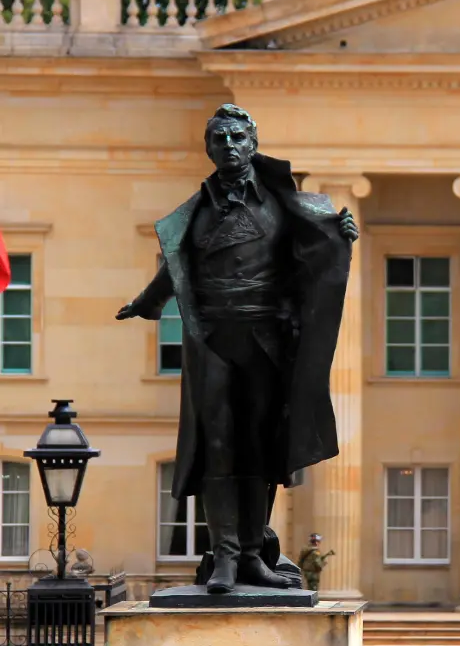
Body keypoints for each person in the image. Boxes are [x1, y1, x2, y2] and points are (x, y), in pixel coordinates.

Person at [116, 104, 359, 594]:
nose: (228, 146)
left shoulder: (282, 204)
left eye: (236, 138)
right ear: (208, 148)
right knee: (219, 447)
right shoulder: (200, 209)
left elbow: (312, 260)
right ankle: (225, 556)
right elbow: (177, 264)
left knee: (263, 448)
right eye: (219, 139)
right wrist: (148, 302)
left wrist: (339, 240)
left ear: (252, 144)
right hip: (213, 341)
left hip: (266, 339)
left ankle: (251, 554)